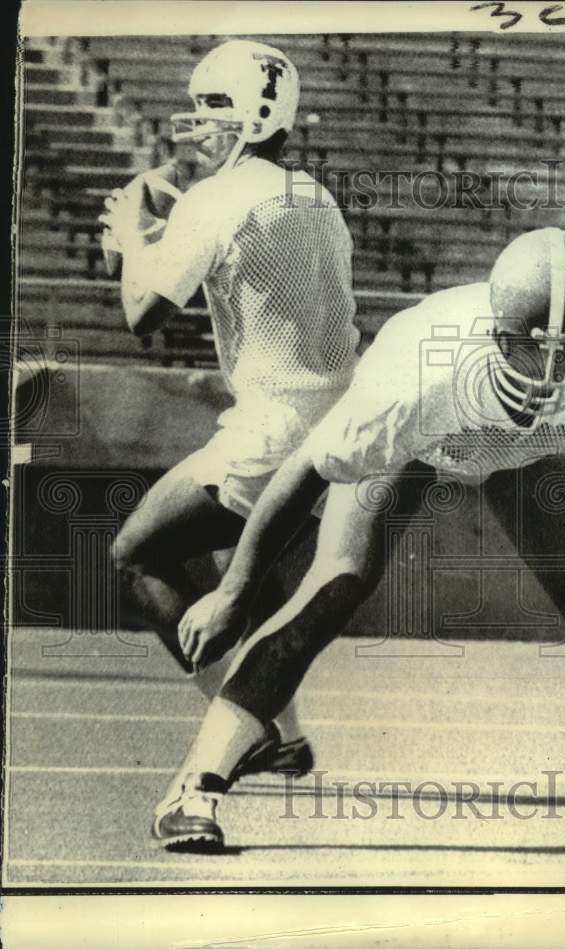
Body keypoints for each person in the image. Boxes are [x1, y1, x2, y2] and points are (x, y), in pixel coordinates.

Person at [152, 227, 565, 860]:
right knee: (335, 587)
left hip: (528, 453)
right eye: (531, 352)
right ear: (494, 333)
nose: (550, 373)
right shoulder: (419, 370)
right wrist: (235, 589)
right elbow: (308, 466)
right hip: (425, 441)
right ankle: (194, 789)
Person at [100, 40, 360, 779]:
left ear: (251, 115)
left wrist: (129, 235)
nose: (197, 121)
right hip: (335, 426)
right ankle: (285, 729)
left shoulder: (216, 199)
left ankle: (245, 728)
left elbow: (142, 314)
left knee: (135, 553)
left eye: (213, 105)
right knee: (236, 563)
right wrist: (159, 232)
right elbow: (248, 253)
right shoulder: (316, 195)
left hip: (271, 427)